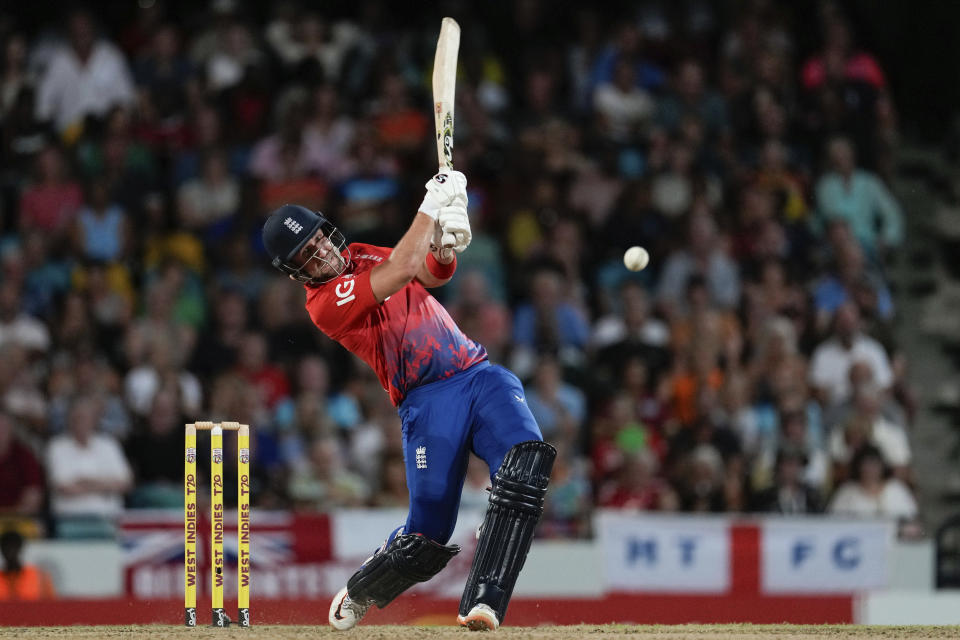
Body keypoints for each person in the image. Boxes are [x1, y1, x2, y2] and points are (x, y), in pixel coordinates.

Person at [261, 170, 555, 632]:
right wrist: (431, 205)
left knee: (525, 469)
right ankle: (364, 588)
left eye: (319, 239)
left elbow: (428, 275)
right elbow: (398, 270)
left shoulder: (359, 253)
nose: (322, 252)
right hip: (427, 401)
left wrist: (444, 246)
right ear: (298, 271)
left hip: (477, 374)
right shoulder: (322, 303)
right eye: (308, 255)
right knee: (427, 537)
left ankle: (484, 602)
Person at [0, 530, 56, 601]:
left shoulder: (40, 577)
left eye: (14, 547)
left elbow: (53, 605)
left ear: (20, 548)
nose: (10, 551)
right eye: (6, 547)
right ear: (2, 550)